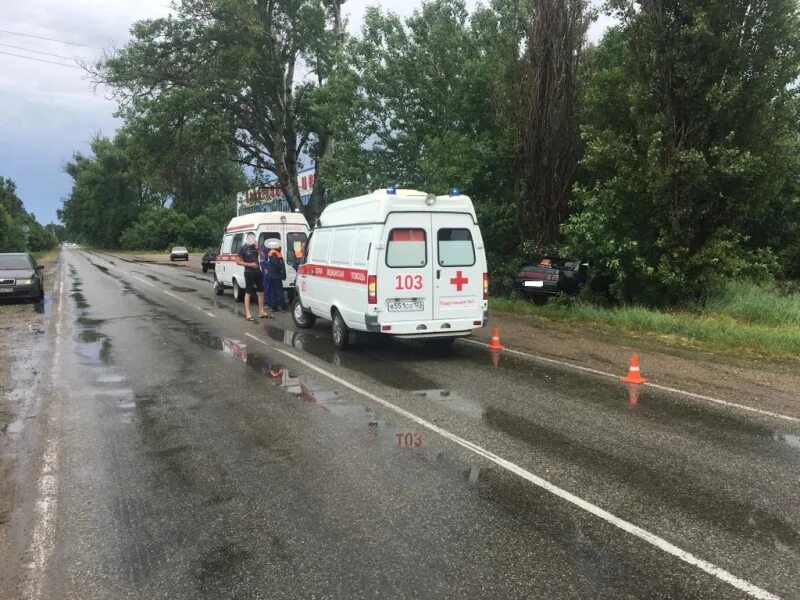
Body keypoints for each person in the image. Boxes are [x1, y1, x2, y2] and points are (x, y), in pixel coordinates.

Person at [236, 233, 270, 321]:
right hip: (248, 271)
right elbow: (238, 261)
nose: (251, 239)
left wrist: (258, 249)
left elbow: (263, 257)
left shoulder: (256, 246)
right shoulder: (243, 248)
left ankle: (261, 311)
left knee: (261, 291)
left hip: (258, 271)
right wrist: (250, 264)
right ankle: (248, 313)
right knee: (248, 292)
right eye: (250, 238)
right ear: (247, 238)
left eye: (253, 238)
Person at [266, 243, 288, 311]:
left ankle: (274, 306)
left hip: (272, 275)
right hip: (276, 275)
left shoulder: (271, 253)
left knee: (273, 291)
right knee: (279, 291)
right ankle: (282, 307)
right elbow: (277, 265)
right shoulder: (275, 253)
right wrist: (281, 271)